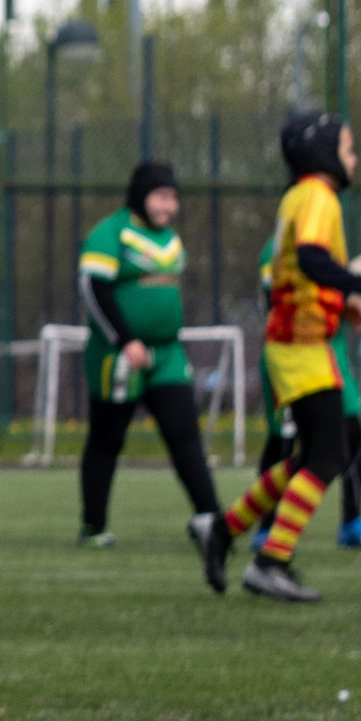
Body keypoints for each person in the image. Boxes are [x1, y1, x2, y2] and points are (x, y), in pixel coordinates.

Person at [193, 114, 361, 603]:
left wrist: (341, 304)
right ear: (324, 154)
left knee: (315, 453)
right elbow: (310, 258)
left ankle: (223, 530)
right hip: (300, 346)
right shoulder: (319, 196)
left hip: (299, 342)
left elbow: (297, 272)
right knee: (329, 453)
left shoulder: (299, 196)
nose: (354, 160)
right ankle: (270, 562)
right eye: (347, 150)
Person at [76, 163, 221, 548]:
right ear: (140, 195)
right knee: (107, 439)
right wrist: (125, 340)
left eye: (174, 197)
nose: (169, 205)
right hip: (119, 355)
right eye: (161, 196)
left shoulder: (170, 238)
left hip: (167, 354)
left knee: (185, 435)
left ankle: (211, 520)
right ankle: (93, 527)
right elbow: (93, 289)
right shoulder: (110, 233)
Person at [253, 242, 361, 551]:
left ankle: (352, 521)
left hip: (332, 351)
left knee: (355, 431)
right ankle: (265, 526)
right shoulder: (278, 249)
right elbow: (282, 299)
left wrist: (358, 298)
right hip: (292, 351)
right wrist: (357, 292)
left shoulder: (332, 242)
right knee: (286, 442)